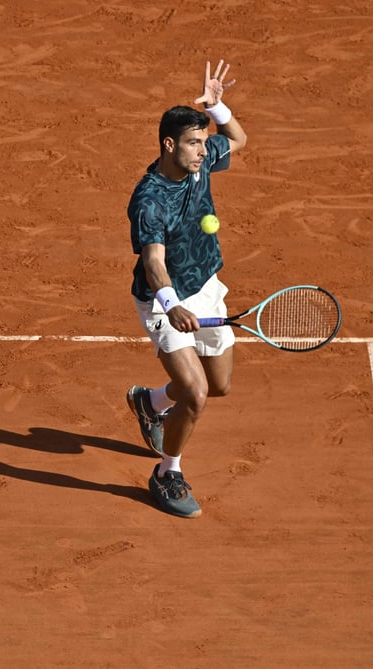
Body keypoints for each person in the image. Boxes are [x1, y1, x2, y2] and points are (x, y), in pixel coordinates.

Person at [125, 59, 247, 518]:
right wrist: (172, 304)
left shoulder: (200, 163)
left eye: (203, 142)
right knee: (194, 393)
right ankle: (167, 473)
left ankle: (150, 402)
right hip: (163, 299)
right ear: (169, 144)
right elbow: (153, 262)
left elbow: (236, 139)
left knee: (219, 385)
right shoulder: (148, 201)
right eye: (194, 143)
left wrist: (217, 109)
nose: (203, 151)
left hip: (207, 286)